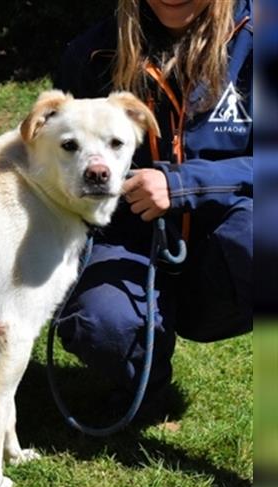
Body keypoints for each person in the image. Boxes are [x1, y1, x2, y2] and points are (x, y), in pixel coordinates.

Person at [53, 0, 253, 415]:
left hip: (230, 237)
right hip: (129, 239)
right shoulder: (91, 53)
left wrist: (182, 185)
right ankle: (144, 386)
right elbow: (51, 159)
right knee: (101, 323)